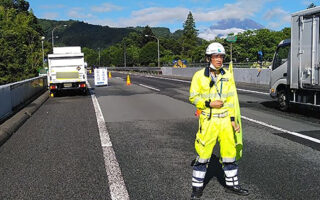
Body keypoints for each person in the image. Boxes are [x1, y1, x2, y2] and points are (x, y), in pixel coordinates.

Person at [189, 42, 249, 199]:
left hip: (225, 121)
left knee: (230, 154)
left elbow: (230, 101)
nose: (219, 59)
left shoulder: (227, 76)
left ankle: (232, 185)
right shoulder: (199, 76)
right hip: (209, 120)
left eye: (221, 56)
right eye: (216, 56)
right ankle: (197, 188)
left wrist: (233, 120)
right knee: (203, 155)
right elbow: (193, 97)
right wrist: (209, 103)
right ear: (209, 58)